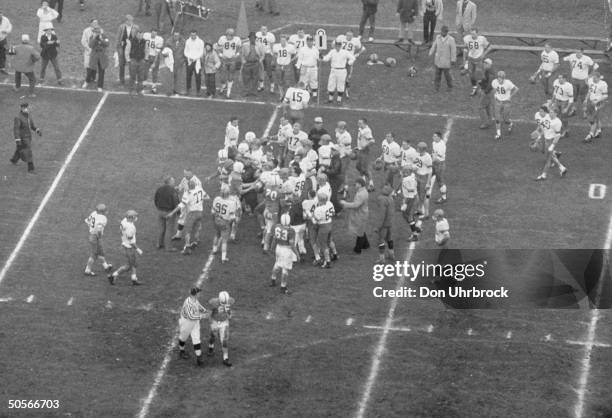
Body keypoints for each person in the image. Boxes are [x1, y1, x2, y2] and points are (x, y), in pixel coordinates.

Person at [167, 179, 209, 255]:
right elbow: (207, 197)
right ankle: (195, 242)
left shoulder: (188, 193)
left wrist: (172, 213)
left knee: (187, 231)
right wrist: (199, 200)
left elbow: (181, 205)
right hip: (200, 212)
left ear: (189, 186)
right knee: (196, 228)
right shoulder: (199, 189)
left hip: (192, 213)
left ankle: (187, 248)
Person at [108, 210, 142, 286]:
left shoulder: (124, 221)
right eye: (135, 216)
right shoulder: (131, 227)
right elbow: (131, 242)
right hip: (130, 248)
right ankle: (113, 275)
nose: (136, 218)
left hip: (124, 245)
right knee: (129, 266)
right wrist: (138, 249)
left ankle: (134, 279)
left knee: (133, 264)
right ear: (131, 217)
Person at [178, 287, 209, 367]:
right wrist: (202, 316)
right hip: (186, 322)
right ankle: (182, 351)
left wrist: (205, 311)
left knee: (196, 338)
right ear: (196, 294)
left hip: (195, 322)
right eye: (199, 292)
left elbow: (198, 305)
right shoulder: (188, 303)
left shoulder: (194, 299)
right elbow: (190, 316)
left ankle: (199, 358)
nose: (200, 293)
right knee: (183, 338)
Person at [563, 48, 597, 118]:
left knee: (583, 97)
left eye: (579, 52)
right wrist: (570, 64)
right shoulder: (572, 56)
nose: (578, 54)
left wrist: (589, 76)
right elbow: (565, 59)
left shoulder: (587, 59)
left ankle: (585, 112)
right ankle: (573, 110)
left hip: (583, 80)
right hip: (574, 79)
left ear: (582, 52)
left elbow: (596, 66)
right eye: (577, 52)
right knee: (573, 95)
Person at [535, 108, 567, 181]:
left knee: (548, 159)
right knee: (551, 156)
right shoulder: (548, 117)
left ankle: (543, 175)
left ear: (556, 113)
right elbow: (543, 127)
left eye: (552, 113)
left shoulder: (558, 122)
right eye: (550, 112)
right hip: (546, 140)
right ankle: (562, 168)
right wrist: (539, 135)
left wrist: (552, 145)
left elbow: (558, 135)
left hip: (551, 141)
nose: (550, 114)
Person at [270, 213, 298, 294]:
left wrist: (272, 248)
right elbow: (292, 245)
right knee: (285, 269)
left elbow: (274, 239)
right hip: (286, 250)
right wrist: (297, 254)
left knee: (277, 264)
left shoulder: (276, 226)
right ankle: (283, 287)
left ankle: (273, 279)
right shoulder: (291, 230)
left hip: (278, 247)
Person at [340, 178, 370, 254]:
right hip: (363, 213)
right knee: (361, 229)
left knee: (360, 232)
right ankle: (366, 245)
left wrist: (345, 203)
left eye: (356, 183)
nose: (355, 185)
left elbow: (356, 205)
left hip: (360, 214)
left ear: (360, 184)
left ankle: (358, 249)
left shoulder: (360, 194)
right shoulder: (364, 191)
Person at [10, 102, 42, 173]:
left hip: (28, 137)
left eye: (27, 107)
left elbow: (32, 125)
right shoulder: (18, 118)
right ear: (22, 108)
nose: (27, 109)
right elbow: (16, 130)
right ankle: (31, 169)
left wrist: (37, 130)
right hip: (23, 138)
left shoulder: (28, 115)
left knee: (20, 149)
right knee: (28, 152)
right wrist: (18, 140)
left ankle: (14, 160)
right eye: (25, 108)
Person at [211, 184, 239, 263]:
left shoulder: (216, 199)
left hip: (217, 220)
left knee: (216, 234)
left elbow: (212, 212)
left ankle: (214, 250)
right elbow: (232, 217)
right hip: (225, 222)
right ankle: (223, 258)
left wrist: (214, 220)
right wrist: (231, 223)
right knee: (224, 241)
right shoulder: (231, 203)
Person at [84, 204, 113, 276]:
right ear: (102, 211)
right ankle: (87, 270)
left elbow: (87, 221)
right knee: (94, 254)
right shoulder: (103, 218)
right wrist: (99, 236)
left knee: (101, 251)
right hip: (95, 237)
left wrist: (91, 229)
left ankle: (106, 266)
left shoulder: (93, 213)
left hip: (92, 235)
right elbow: (99, 228)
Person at [322, 40, 355, 105]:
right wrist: (322, 57)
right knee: (331, 84)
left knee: (340, 85)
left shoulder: (345, 52)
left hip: (342, 71)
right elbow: (326, 58)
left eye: (339, 45)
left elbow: (353, 58)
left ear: (341, 46)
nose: (337, 47)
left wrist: (348, 63)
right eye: (336, 45)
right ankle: (330, 99)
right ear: (335, 46)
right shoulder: (332, 52)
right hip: (333, 70)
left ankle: (339, 100)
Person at [208, 291, 234, 367]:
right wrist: (211, 322)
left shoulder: (230, 301)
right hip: (215, 322)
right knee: (213, 336)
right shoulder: (213, 302)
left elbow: (230, 314)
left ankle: (225, 358)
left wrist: (229, 313)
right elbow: (209, 313)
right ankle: (211, 346)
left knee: (224, 341)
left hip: (224, 322)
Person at [491, 70, 519, 140]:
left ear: (503, 78)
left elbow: (516, 89)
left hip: (506, 102)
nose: (499, 79)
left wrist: (510, 96)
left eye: (500, 78)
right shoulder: (494, 82)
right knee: (497, 118)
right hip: (498, 101)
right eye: (498, 78)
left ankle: (510, 124)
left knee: (505, 119)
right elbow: (494, 89)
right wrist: (495, 95)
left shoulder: (508, 83)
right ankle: (498, 134)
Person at [154, 176, 180, 249]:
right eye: (173, 181)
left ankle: (159, 244)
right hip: (169, 213)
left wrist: (159, 208)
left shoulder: (159, 189)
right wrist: (178, 212)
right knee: (169, 229)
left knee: (161, 228)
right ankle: (168, 247)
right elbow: (176, 202)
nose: (174, 182)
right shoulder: (173, 191)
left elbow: (155, 199)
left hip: (160, 211)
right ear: (170, 182)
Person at [462, 28, 489, 96]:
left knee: (479, 75)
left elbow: (489, 47)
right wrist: (464, 60)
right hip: (471, 58)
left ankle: (485, 87)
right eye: (471, 34)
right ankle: (474, 89)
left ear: (477, 33)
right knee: (471, 75)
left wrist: (483, 55)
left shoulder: (482, 39)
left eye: (474, 34)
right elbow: (465, 48)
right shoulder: (467, 38)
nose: (472, 35)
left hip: (478, 59)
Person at [429, 25, 456, 92]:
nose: (442, 33)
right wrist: (431, 52)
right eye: (442, 32)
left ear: (446, 32)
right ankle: (436, 88)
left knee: (447, 76)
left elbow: (453, 50)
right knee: (437, 75)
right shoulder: (438, 37)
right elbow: (434, 45)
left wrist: (453, 59)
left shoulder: (451, 39)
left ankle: (450, 87)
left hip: (446, 61)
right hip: (438, 60)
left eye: (444, 32)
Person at [217, 28, 242, 99]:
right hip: (224, 60)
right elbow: (217, 47)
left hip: (232, 60)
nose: (229, 37)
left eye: (230, 35)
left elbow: (240, 47)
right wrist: (221, 55)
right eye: (228, 35)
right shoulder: (222, 39)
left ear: (233, 35)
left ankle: (228, 92)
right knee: (222, 76)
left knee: (230, 76)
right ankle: (223, 85)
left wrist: (236, 54)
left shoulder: (237, 39)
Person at [583, 72, 608, 143]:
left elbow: (605, 96)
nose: (593, 79)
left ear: (599, 78)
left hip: (598, 103)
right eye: (593, 78)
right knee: (596, 118)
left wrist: (597, 101)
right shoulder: (591, 80)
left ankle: (590, 135)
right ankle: (599, 131)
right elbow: (590, 91)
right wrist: (586, 99)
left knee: (592, 119)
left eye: (595, 78)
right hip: (591, 101)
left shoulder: (603, 84)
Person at [374, 184, 395, 263]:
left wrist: (378, 227)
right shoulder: (391, 198)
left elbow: (382, 215)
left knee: (381, 240)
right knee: (389, 238)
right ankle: (391, 254)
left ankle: (382, 258)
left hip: (384, 224)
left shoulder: (382, 199)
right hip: (390, 222)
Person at [115, 15, 139, 86]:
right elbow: (118, 37)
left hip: (132, 48)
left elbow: (138, 37)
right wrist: (117, 47)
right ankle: (121, 80)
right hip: (122, 47)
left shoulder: (136, 27)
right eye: (129, 20)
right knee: (121, 64)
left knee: (132, 64)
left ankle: (132, 80)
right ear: (126, 21)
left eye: (132, 20)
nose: (131, 22)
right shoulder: (121, 27)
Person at [272, 35, 296, 101]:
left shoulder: (290, 47)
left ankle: (287, 96)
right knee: (279, 81)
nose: (283, 42)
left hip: (287, 65)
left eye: (284, 40)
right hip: (279, 65)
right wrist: (276, 59)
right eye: (281, 40)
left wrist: (291, 60)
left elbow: (295, 54)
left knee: (287, 82)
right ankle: (281, 94)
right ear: (280, 41)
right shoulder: (276, 46)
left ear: (286, 41)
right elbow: (274, 53)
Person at [241, 32, 265, 97]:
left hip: (255, 63)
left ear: (255, 38)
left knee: (255, 78)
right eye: (251, 38)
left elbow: (263, 55)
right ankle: (247, 91)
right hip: (247, 63)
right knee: (246, 78)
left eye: (253, 38)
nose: (252, 39)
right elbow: (242, 55)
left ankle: (254, 91)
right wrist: (243, 61)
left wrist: (260, 61)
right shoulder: (245, 45)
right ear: (249, 38)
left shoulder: (259, 45)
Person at [87, 27, 110, 91]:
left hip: (102, 56)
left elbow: (107, 44)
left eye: (97, 32)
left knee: (101, 71)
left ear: (100, 32)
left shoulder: (104, 36)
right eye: (95, 32)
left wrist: (101, 39)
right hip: (94, 56)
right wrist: (94, 39)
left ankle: (100, 86)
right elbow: (90, 45)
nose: (96, 33)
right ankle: (87, 81)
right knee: (90, 69)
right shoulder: (92, 37)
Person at [414, 142, 433, 218]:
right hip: (417, 176)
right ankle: (419, 210)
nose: (416, 149)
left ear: (422, 149)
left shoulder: (427, 157)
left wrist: (428, 183)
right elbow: (417, 163)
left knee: (424, 196)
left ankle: (426, 214)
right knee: (418, 195)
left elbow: (430, 171)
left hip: (424, 178)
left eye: (418, 148)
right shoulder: (418, 154)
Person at [357, 118, 375, 191]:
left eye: (360, 123)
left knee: (365, 168)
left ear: (364, 123)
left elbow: (372, 141)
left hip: (365, 151)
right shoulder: (361, 128)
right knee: (358, 166)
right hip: (360, 150)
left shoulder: (367, 131)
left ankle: (371, 184)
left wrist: (365, 146)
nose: (358, 124)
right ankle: (363, 180)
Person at [143, 28, 164, 94]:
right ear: (150, 32)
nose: (154, 34)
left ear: (157, 34)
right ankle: (144, 84)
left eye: (155, 33)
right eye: (152, 33)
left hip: (155, 56)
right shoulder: (146, 35)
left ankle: (154, 86)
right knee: (145, 71)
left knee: (155, 72)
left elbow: (157, 52)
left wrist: (154, 62)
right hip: (147, 55)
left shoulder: (159, 39)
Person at [256, 26, 276, 93]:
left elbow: (272, 47)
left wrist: (273, 58)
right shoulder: (258, 34)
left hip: (267, 54)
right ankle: (261, 85)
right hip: (260, 54)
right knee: (260, 70)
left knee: (268, 70)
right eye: (262, 29)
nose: (263, 31)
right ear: (260, 30)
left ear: (267, 30)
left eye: (264, 29)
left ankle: (272, 85)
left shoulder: (270, 36)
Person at [165, 31, 185, 95]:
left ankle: (176, 90)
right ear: (173, 35)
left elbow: (186, 51)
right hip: (171, 62)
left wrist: (183, 60)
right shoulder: (169, 42)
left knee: (178, 77)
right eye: (175, 35)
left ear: (180, 36)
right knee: (170, 77)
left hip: (179, 62)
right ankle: (169, 90)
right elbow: (165, 51)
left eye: (177, 35)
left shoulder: (183, 42)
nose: (176, 37)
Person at [184, 30, 204, 96]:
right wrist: (189, 58)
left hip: (197, 61)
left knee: (198, 77)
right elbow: (185, 51)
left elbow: (201, 52)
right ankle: (188, 89)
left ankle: (198, 91)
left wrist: (195, 58)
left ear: (196, 34)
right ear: (190, 35)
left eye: (194, 35)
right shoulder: (187, 41)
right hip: (189, 61)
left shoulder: (200, 42)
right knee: (188, 76)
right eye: (191, 35)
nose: (193, 36)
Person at [128, 30, 147, 95]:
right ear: (136, 35)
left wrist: (145, 59)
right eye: (139, 35)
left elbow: (147, 50)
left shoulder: (145, 42)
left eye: (141, 35)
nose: (140, 36)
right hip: (133, 60)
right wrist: (128, 60)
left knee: (141, 77)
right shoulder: (131, 41)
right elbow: (127, 50)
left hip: (141, 60)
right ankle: (132, 90)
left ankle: (139, 90)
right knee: (132, 76)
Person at [478, 58, 495, 129]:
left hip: (488, 92)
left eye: (486, 63)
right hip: (489, 91)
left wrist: (485, 92)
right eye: (484, 63)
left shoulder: (490, 72)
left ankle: (485, 123)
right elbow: (485, 80)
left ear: (489, 65)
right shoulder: (488, 70)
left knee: (481, 107)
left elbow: (490, 84)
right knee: (487, 107)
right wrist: (481, 85)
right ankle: (490, 121)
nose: (484, 64)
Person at [431, 131, 448, 203]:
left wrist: (432, 159)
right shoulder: (434, 143)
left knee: (440, 181)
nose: (433, 137)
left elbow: (439, 157)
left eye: (434, 136)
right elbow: (433, 153)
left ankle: (444, 198)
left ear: (439, 137)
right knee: (426, 176)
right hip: (434, 163)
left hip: (439, 164)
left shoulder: (442, 146)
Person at [80, 19, 98, 86]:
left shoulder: (99, 30)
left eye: (96, 23)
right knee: (88, 65)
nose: (96, 24)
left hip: (96, 51)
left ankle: (93, 78)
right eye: (94, 23)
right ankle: (87, 80)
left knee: (95, 65)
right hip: (88, 51)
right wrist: (88, 48)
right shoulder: (86, 31)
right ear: (91, 23)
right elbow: (83, 41)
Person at [0, 10, 12, 75]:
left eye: (0, 14)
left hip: (3, 39)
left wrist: (6, 31)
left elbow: (10, 27)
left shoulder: (5, 19)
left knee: (3, 54)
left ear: (2, 14)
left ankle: (2, 68)